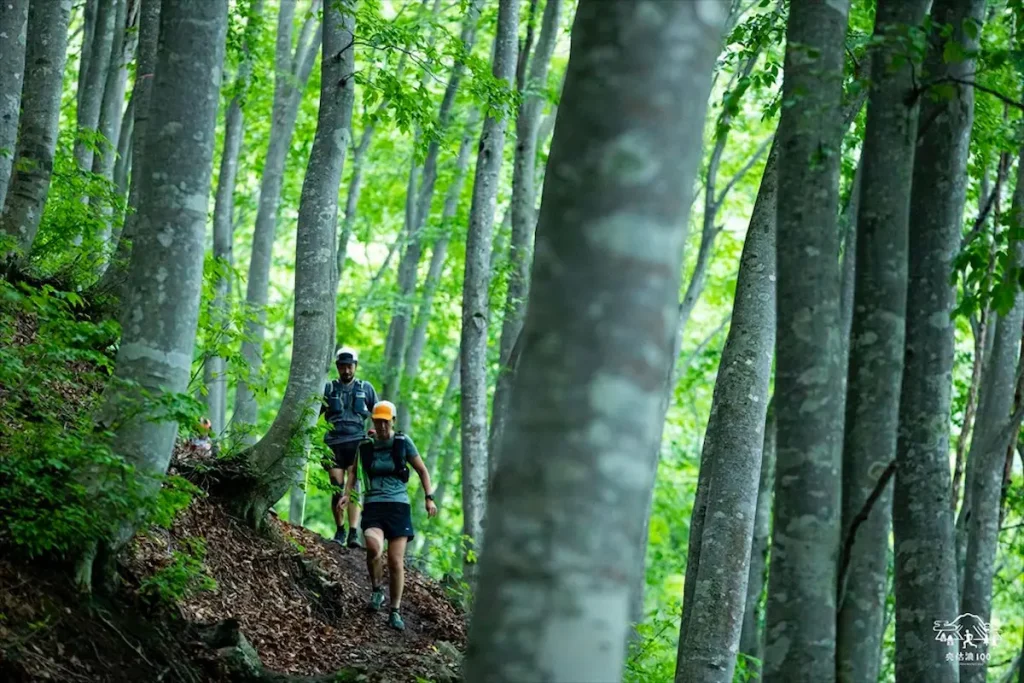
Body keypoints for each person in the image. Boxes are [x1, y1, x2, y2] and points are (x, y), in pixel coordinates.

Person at [340, 400, 437, 631]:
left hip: (398, 507)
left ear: (393, 421)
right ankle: (376, 590)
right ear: (373, 421)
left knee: (395, 561)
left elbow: (422, 470)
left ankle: (394, 610)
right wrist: (347, 494)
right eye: (378, 421)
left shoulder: (403, 442)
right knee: (373, 549)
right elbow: (353, 472)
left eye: (386, 421)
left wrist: (429, 497)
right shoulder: (365, 445)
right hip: (374, 504)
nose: (382, 426)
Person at [320, 346, 378, 547]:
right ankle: (340, 529)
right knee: (336, 487)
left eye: (349, 367)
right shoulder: (328, 388)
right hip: (333, 443)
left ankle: (354, 532)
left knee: (354, 487)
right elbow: (312, 413)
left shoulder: (366, 388)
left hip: (357, 443)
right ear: (338, 367)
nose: (346, 371)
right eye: (343, 367)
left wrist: (374, 432)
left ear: (355, 366)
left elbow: (378, 413)